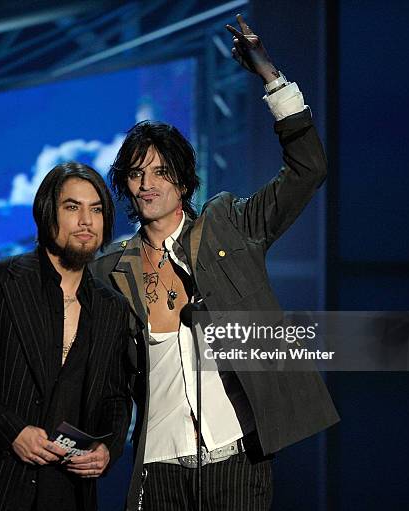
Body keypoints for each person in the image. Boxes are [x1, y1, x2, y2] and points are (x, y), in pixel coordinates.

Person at [90, 14, 339, 511]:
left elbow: (309, 169)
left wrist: (270, 76)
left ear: (183, 181)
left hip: (236, 462)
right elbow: (111, 380)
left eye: (161, 172)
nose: (148, 184)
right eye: (137, 174)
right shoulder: (108, 272)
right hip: (157, 469)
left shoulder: (229, 226)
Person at [0, 162, 132, 511]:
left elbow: (115, 396)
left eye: (96, 210)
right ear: (46, 214)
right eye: (72, 207)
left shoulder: (112, 306)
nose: (86, 221)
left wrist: (107, 450)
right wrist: (12, 432)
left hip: (66, 491)